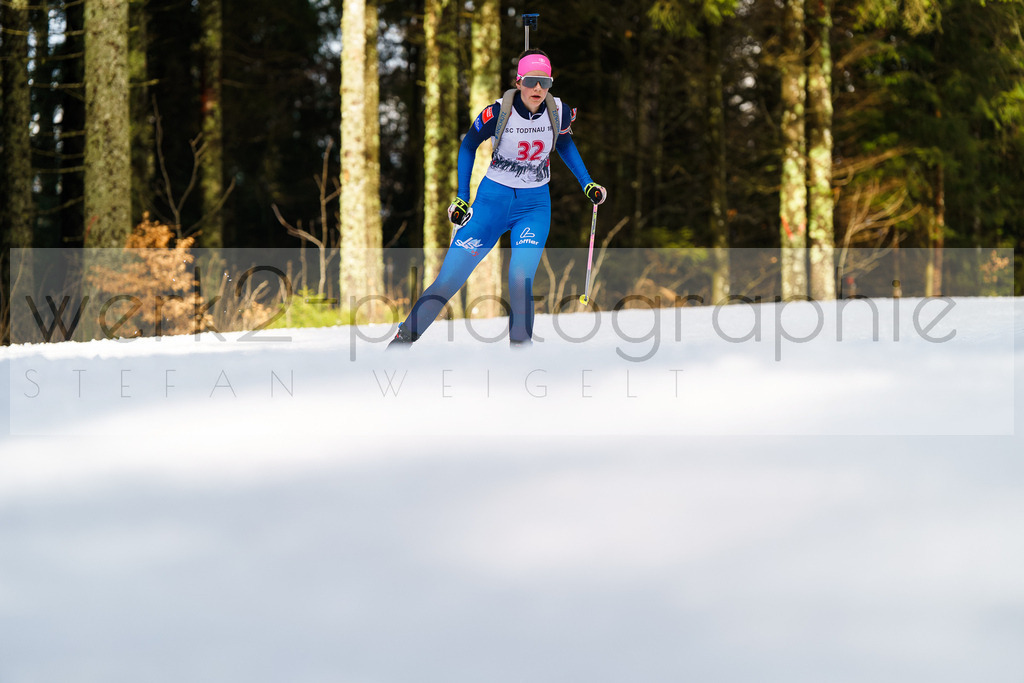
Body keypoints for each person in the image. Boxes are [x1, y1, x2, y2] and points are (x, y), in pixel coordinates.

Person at [389, 48, 606, 349]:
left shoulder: (559, 112)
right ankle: (400, 344)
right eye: (531, 81)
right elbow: (468, 146)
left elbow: (565, 143)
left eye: (545, 82)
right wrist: (463, 197)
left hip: (533, 207)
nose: (538, 89)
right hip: (491, 203)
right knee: (448, 280)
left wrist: (587, 183)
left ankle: (520, 355)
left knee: (520, 278)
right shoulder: (498, 112)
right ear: (519, 82)